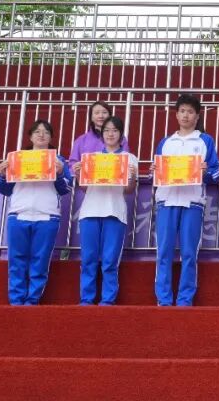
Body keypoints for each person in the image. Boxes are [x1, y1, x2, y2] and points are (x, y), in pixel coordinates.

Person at [152, 93, 219, 307]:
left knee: (189, 253)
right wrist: (154, 170)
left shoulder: (205, 140)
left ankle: (185, 299)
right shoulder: (166, 142)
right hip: (166, 201)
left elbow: (216, 173)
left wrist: (205, 171)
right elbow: (154, 174)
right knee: (163, 252)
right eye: (182, 111)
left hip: (192, 202)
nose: (185, 115)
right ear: (176, 114)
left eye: (190, 112)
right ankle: (164, 299)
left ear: (197, 116)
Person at [0, 120, 73, 306]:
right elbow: (5, 190)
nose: (41, 135)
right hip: (18, 214)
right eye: (37, 132)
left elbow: (65, 189)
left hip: (47, 217)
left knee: (40, 261)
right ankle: (16, 301)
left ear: (51, 137)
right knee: (16, 260)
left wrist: (60, 173)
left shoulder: (58, 160)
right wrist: (2, 175)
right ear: (30, 137)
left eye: (46, 132)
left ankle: (32, 300)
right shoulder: (17, 159)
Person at [77, 115, 137, 306]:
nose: (110, 134)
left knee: (110, 261)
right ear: (102, 134)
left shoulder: (129, 159)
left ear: (121, 135)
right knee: (88, 259)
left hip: (115, 212)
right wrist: (79, 174)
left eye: (115, 130)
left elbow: (129, 190)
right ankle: (86, 299)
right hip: (90, 211)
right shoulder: (91, 159)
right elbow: (84, 187)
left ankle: (107, 300)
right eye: (107, 131)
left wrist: (132, 178)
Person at [69, 100, 131, 169]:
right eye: (97, 113)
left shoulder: (120, 138)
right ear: (91, 117)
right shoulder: (81, 140)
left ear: (110, 116)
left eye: (104, 112)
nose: (101, 116)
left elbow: (126, 161)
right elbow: (72, 164)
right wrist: (76, 168)